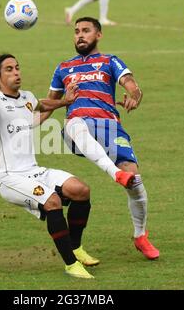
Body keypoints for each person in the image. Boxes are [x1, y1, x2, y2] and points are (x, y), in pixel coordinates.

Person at [0, 54, 100, 279]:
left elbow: (41, 105)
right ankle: (71, 264)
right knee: (52, 202)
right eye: (9, 69)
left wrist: (65, 102)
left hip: (33, 170)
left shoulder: (26, 97)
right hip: (9, 177)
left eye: (17, 68)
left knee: (81, 190)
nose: (16, 72)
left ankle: (76, 248)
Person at [41, 17, 160, 260]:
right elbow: (50, 103)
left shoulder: (109, 61)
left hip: (110, 127)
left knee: (134, 179)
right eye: (76, 32)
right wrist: (27, 124)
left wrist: (134, 97)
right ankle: (114, 173)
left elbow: (132, 85)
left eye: (86, 31)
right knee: (75, 123)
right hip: (77, 126)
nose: (80, 36)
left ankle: (140, 236)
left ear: (99, 34)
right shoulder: (63, 67)